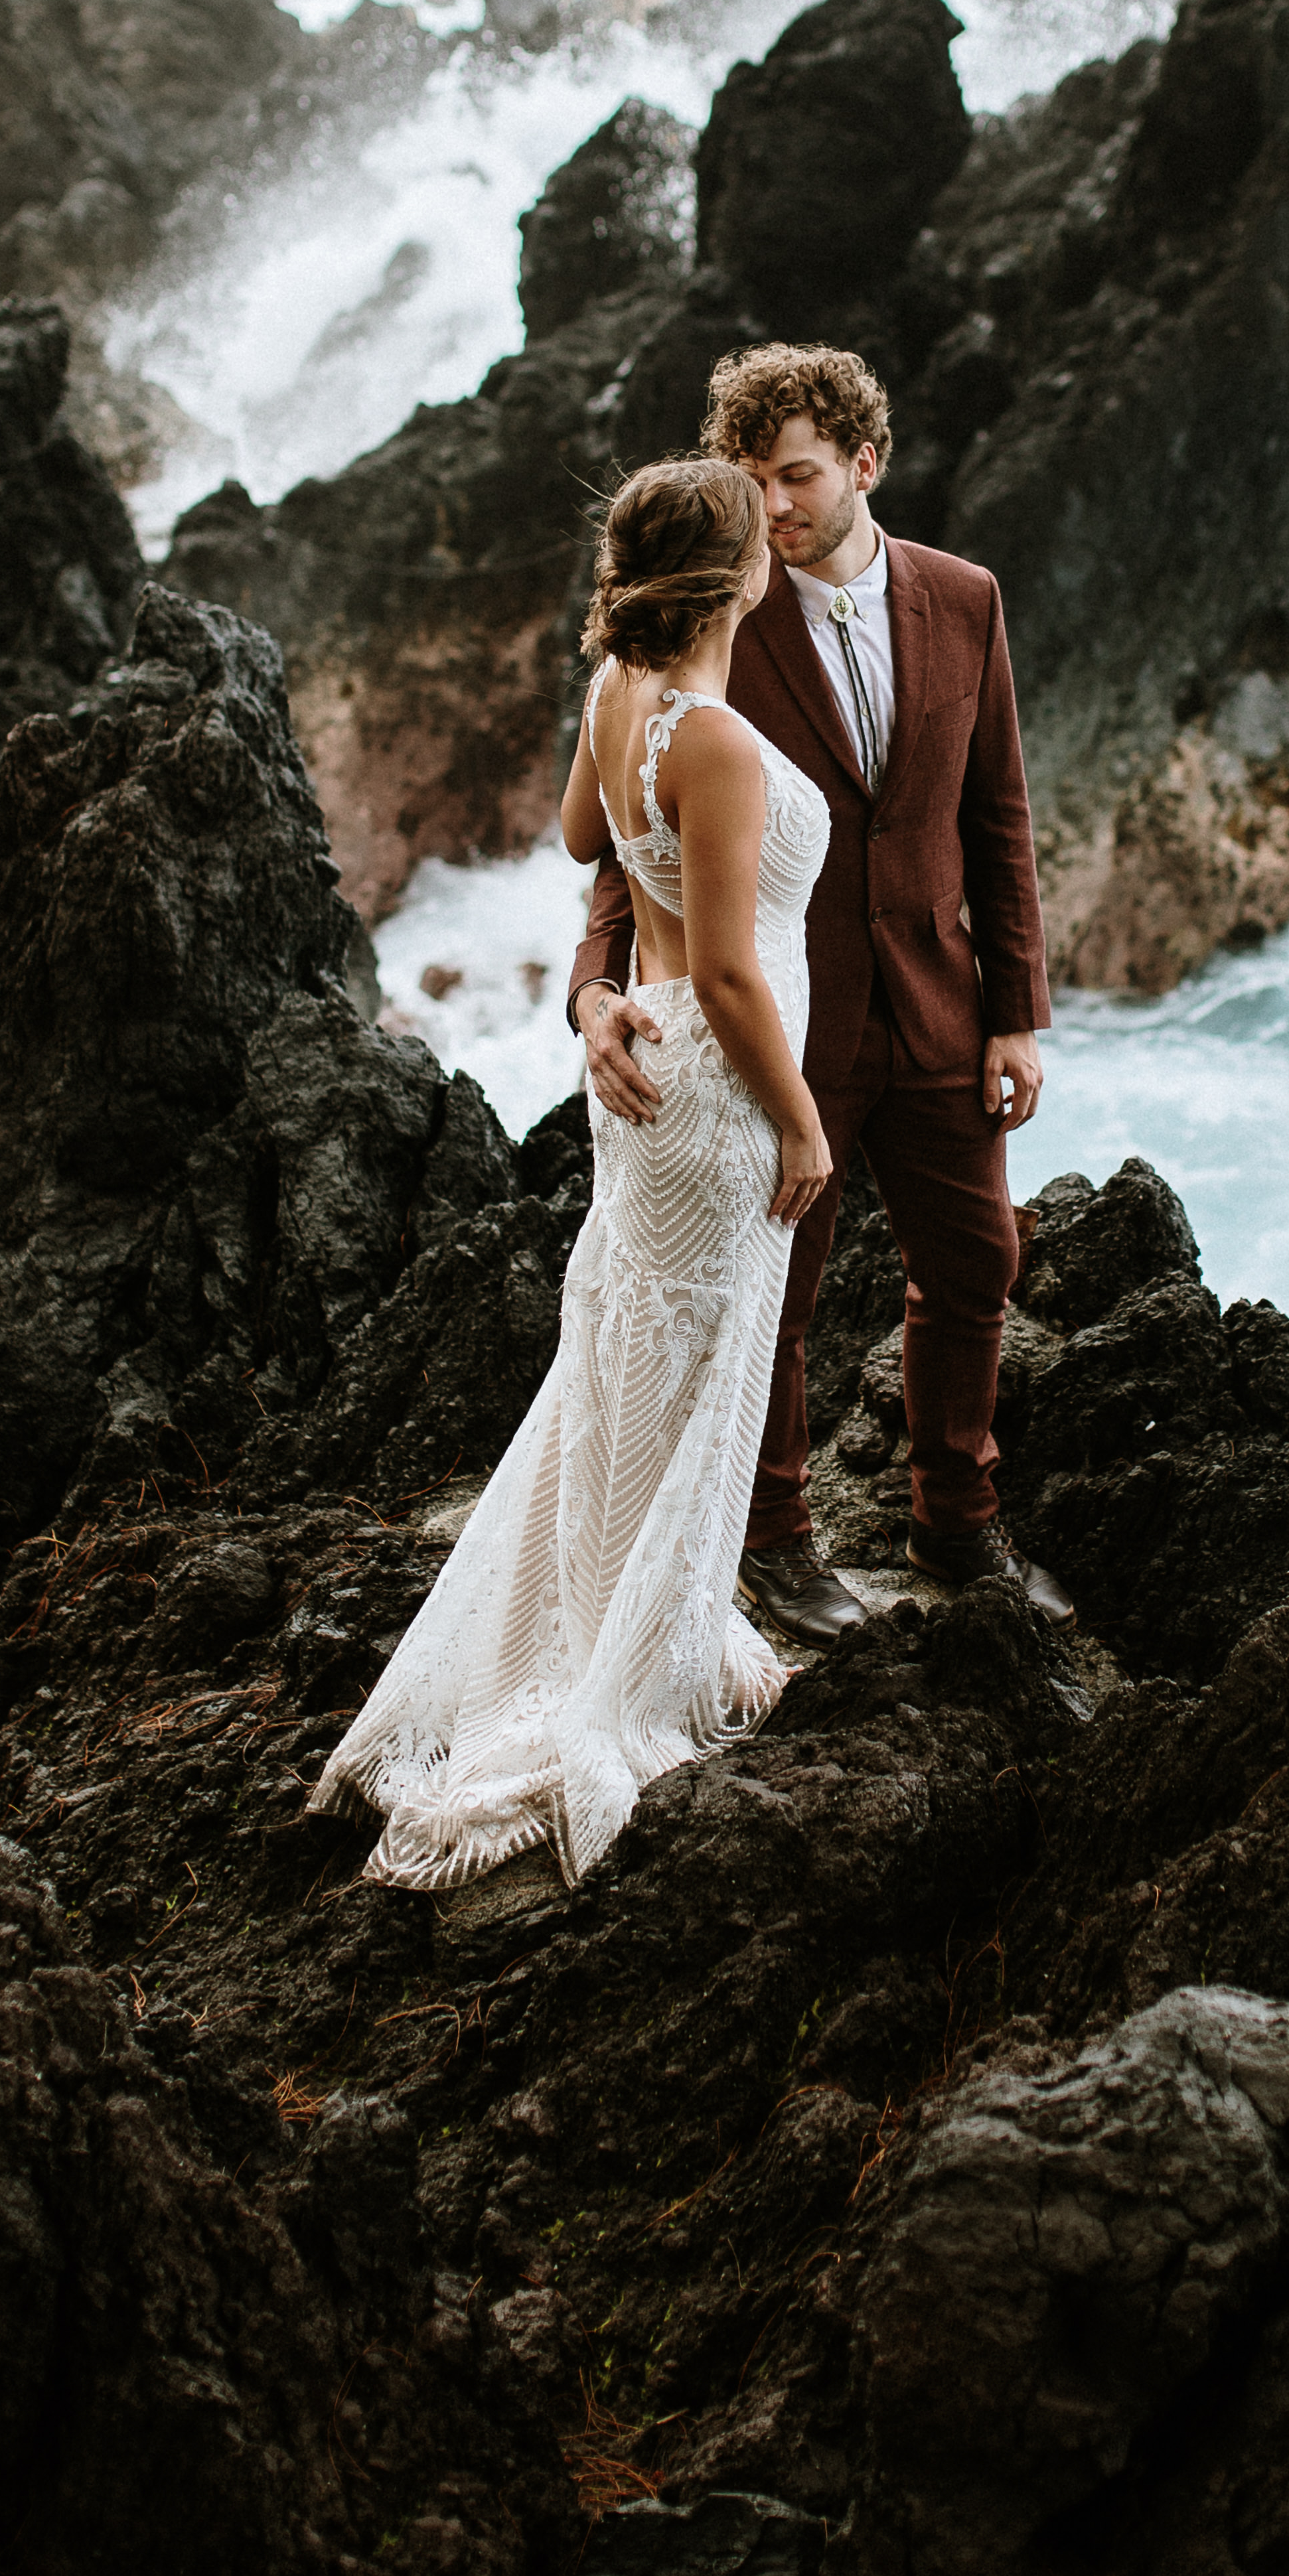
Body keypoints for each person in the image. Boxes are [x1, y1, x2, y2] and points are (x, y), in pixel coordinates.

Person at [307, 455, 832, 1887]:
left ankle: (624, 1607)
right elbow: (729, 968)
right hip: (716, 1082)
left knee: (625, 1344)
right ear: (736, 578)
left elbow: (580, 834)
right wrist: (798, 1118)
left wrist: (606, 992)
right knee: (689, 1352)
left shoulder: (616, 696)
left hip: (639, 1058)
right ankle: (620, 1655)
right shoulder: (713, 738)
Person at [568, 343, 1069, 1640]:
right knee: (772, 1296)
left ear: (864, 461)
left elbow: (996, 810)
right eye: (751, 481)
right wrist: (592, 986)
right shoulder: (716, 619)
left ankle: (955, 1516)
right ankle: (774, 1540)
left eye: (795, 477)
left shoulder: (964, 599)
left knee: (977, 1259)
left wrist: (1015, 1005)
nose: (771, 508)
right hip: (777, 1026)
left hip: (940, 1004)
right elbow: (643, 838)